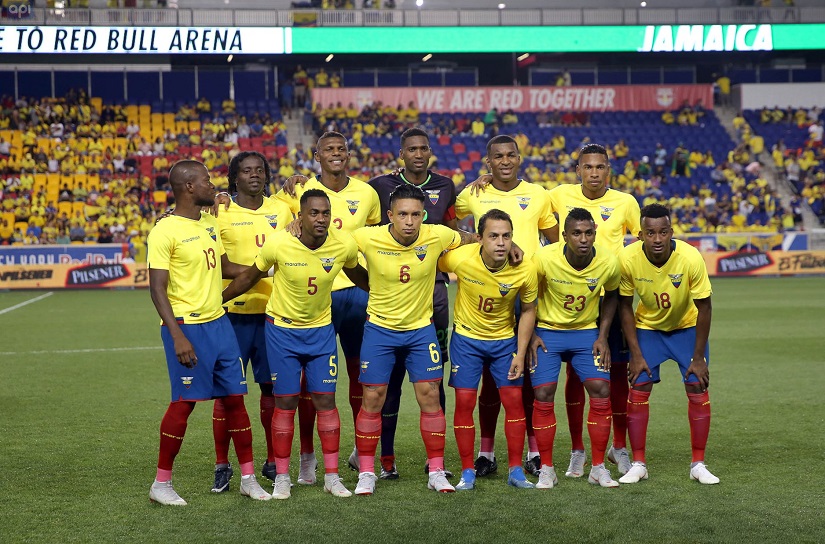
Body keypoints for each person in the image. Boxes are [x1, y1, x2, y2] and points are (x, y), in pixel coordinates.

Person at [220, 189, 368, 499]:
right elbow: (250, 276)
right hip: (282, 333)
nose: (321, 219)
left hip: (321, 332)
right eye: (313, 213)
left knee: (325, 401)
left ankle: (331, 477)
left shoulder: (343, 244)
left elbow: (360, 276)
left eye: (325, 213)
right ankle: (283, 478)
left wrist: (387, 294)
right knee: (285, 402)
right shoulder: (279, 242)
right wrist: (219, 300)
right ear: (300, 216)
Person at [146, 160, 271, 505]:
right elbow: (157, 289)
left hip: (220, 324)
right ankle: (161, 483)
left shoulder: (210, 223)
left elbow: (225, 267)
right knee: (184, 404)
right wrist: (177, 335)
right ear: (188, 186)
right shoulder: (164, 231)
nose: (212, 185)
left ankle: (247, 477)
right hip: (188, 327)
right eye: (206, 180)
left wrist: (265, 268)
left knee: (234, 400)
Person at [269, 131, 381, 483]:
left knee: (359, 376)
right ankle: (306, 457)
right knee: (307, 383)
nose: (336, 154)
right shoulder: (295, 191)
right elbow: (266, 211)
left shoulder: (367, 193)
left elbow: (377, 238)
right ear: (316, 155)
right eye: (328, 149)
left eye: (341, 149)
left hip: (357, 294)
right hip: (315, 298)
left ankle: (358, 450)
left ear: (349, 154)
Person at [350, 184, 475, 495]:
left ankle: (436, 470)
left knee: (430, 396)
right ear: (390, 215)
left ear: (423, 216)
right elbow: (332, 248)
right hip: (379, 329)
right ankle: (366, 471)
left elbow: (470, 238)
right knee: (373, 398)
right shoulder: (367, 236)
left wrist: (501, 243)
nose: (409, 221)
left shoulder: (438, 235)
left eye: (415, 215)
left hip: (421, 330)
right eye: (402, 214)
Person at [457, 134, 558, 479]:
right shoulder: (473, 193)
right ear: (488, 163)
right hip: (489, 293)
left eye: (510, 155)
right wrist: (473, 242)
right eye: (497, 156)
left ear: (519, 158)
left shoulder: (539, 194)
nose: (504, 161)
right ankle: (486, 451)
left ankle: (532, 450)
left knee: (527, 373)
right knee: (487, 378)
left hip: (527, 292)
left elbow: (555, 241)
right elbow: (448, 225)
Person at [366, 127, 459, 479]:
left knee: (434, 380)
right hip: (391, 294)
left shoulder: (446, 185)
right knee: (386, 382)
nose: (418, 154)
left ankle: (436, 459)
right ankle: (384, 458)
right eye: (412, 149)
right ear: (401, 153)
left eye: (424, 149)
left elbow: (455, 233)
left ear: (430, 152)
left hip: (433, 294)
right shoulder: (379, 186)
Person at [546, 143, 640, 479]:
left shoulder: (625, 202)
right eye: (588, 167)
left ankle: (619, 447)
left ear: (609, 170)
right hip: (572, 298)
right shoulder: (558, 195)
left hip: (609, 295)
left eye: (600, 167)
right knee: (574, 374)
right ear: (578, 170)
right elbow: (521, 206)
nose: (594, 173)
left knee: (615, 374)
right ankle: (577, 451)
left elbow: (643, 241)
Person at [616, 203, 718, 485]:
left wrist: (698, 356)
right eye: (650, 233)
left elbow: (705, 307)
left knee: (697, 384)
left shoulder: (690, 257)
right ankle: (638, 464)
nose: (657, 239)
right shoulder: (628, 258)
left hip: (687, 328)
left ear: (672, 232)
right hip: (649, 329)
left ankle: (698, 463)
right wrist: (635, 354)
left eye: (663, 232)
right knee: (640, 385)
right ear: (640, 235)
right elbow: (625, 305)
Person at [211, 152, 294, 493]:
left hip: (274, 313)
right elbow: (217, 261)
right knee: (226, 393)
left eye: (260, 170)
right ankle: (222, 463)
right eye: (246, 171)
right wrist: (259, 272)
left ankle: (274, 460)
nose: (254, 175)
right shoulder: (220, 212)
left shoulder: (282, 209)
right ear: (234, 178)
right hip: (232, 314)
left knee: (272, 390)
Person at [440, 209, 538, 491]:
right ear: (480, 238)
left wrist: (520, 353)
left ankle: (516, 470)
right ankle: (467, 471)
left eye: (506, 236)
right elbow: (430, 260)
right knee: (465, 404)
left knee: (514, 404)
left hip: (504, 341)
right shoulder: (460, 258)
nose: (500, 242)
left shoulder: (525, 268)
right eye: (493, 236)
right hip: (466, 341)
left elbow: (529, 309)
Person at [529, 208, 621, 489]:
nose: (583, 239)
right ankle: (546, 468)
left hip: (585, 334)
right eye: (577, 233)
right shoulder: (544, 258)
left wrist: (603, 336)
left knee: (601, 390)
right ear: (565, 235)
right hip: (548, 332)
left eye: (588, 233)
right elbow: (526, 295)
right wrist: (532, 333)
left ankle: (597, 467)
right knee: (544, 393)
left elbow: (613, 296)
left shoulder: (608, 261)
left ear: (595, 233)